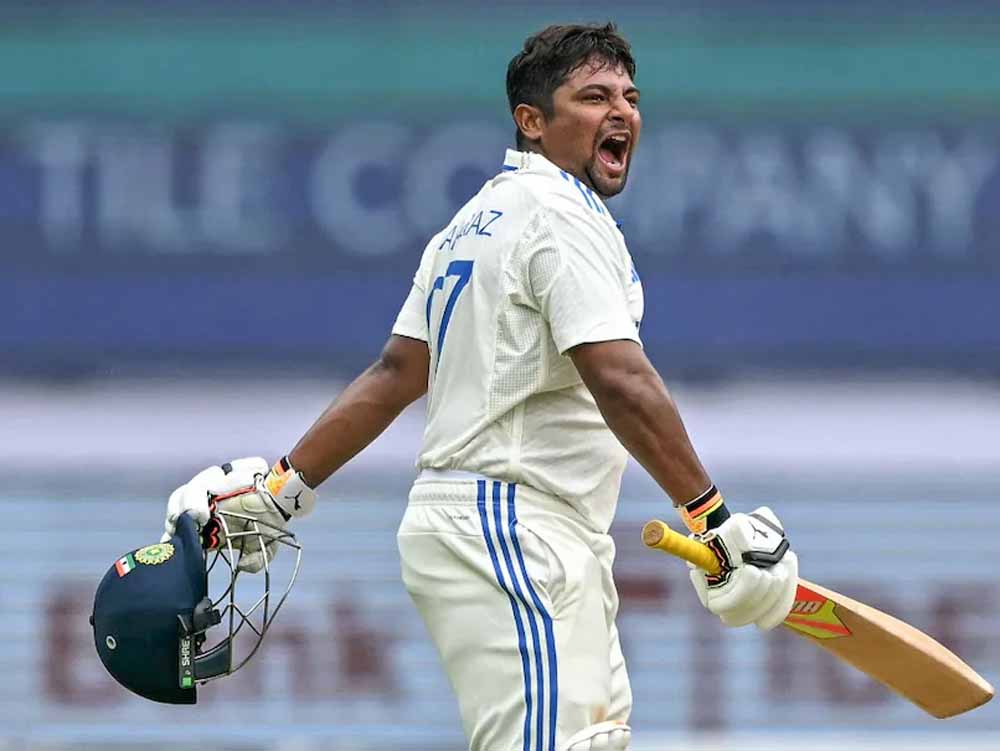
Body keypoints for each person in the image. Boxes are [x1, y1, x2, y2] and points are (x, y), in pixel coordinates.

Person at [162, 23, 798, 751]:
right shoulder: (557, 214)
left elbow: (396, 375)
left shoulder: (471, 223)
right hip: (510, 524)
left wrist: (282, 489)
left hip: (528, 531)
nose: (622, 111)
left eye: (629, 96)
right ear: (532, 120)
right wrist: (711, 519)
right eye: (594, 97)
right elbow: (620, 377)